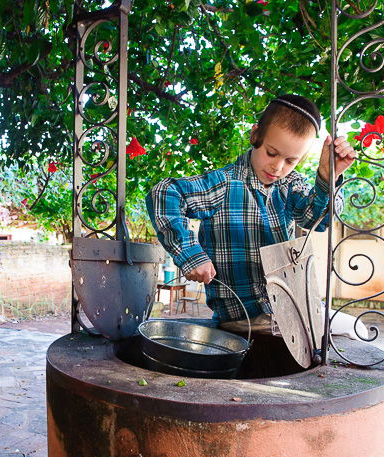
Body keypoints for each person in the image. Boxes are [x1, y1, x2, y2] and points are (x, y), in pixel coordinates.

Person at [146, 94, 357, 332]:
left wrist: (328, 177)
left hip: (289, 309)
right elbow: (164, 193)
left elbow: (316, 219)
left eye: (290, 161)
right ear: (255, 135)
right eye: (271, 153)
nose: (278, 167)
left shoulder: (290, 185)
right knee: (328, 335)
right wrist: (191, 254)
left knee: (354, 329)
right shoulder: (224, 184)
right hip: (244, 318)